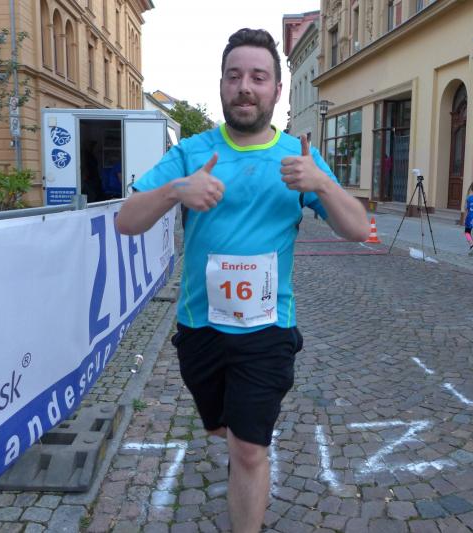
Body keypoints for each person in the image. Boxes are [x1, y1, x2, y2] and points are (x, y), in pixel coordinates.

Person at [115, 28, 368, 533]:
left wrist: (320, 183)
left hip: (267, 330)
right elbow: (126, 220)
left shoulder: (298, 157)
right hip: (200, 329)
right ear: (221, 85)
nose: (245, 87)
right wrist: (175, 191)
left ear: (277, 89)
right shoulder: (192, 153)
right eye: (234, 77)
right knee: (222, 431)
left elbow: (359, 229)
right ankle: (238, 446)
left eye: (258, 77)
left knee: (249, 449)